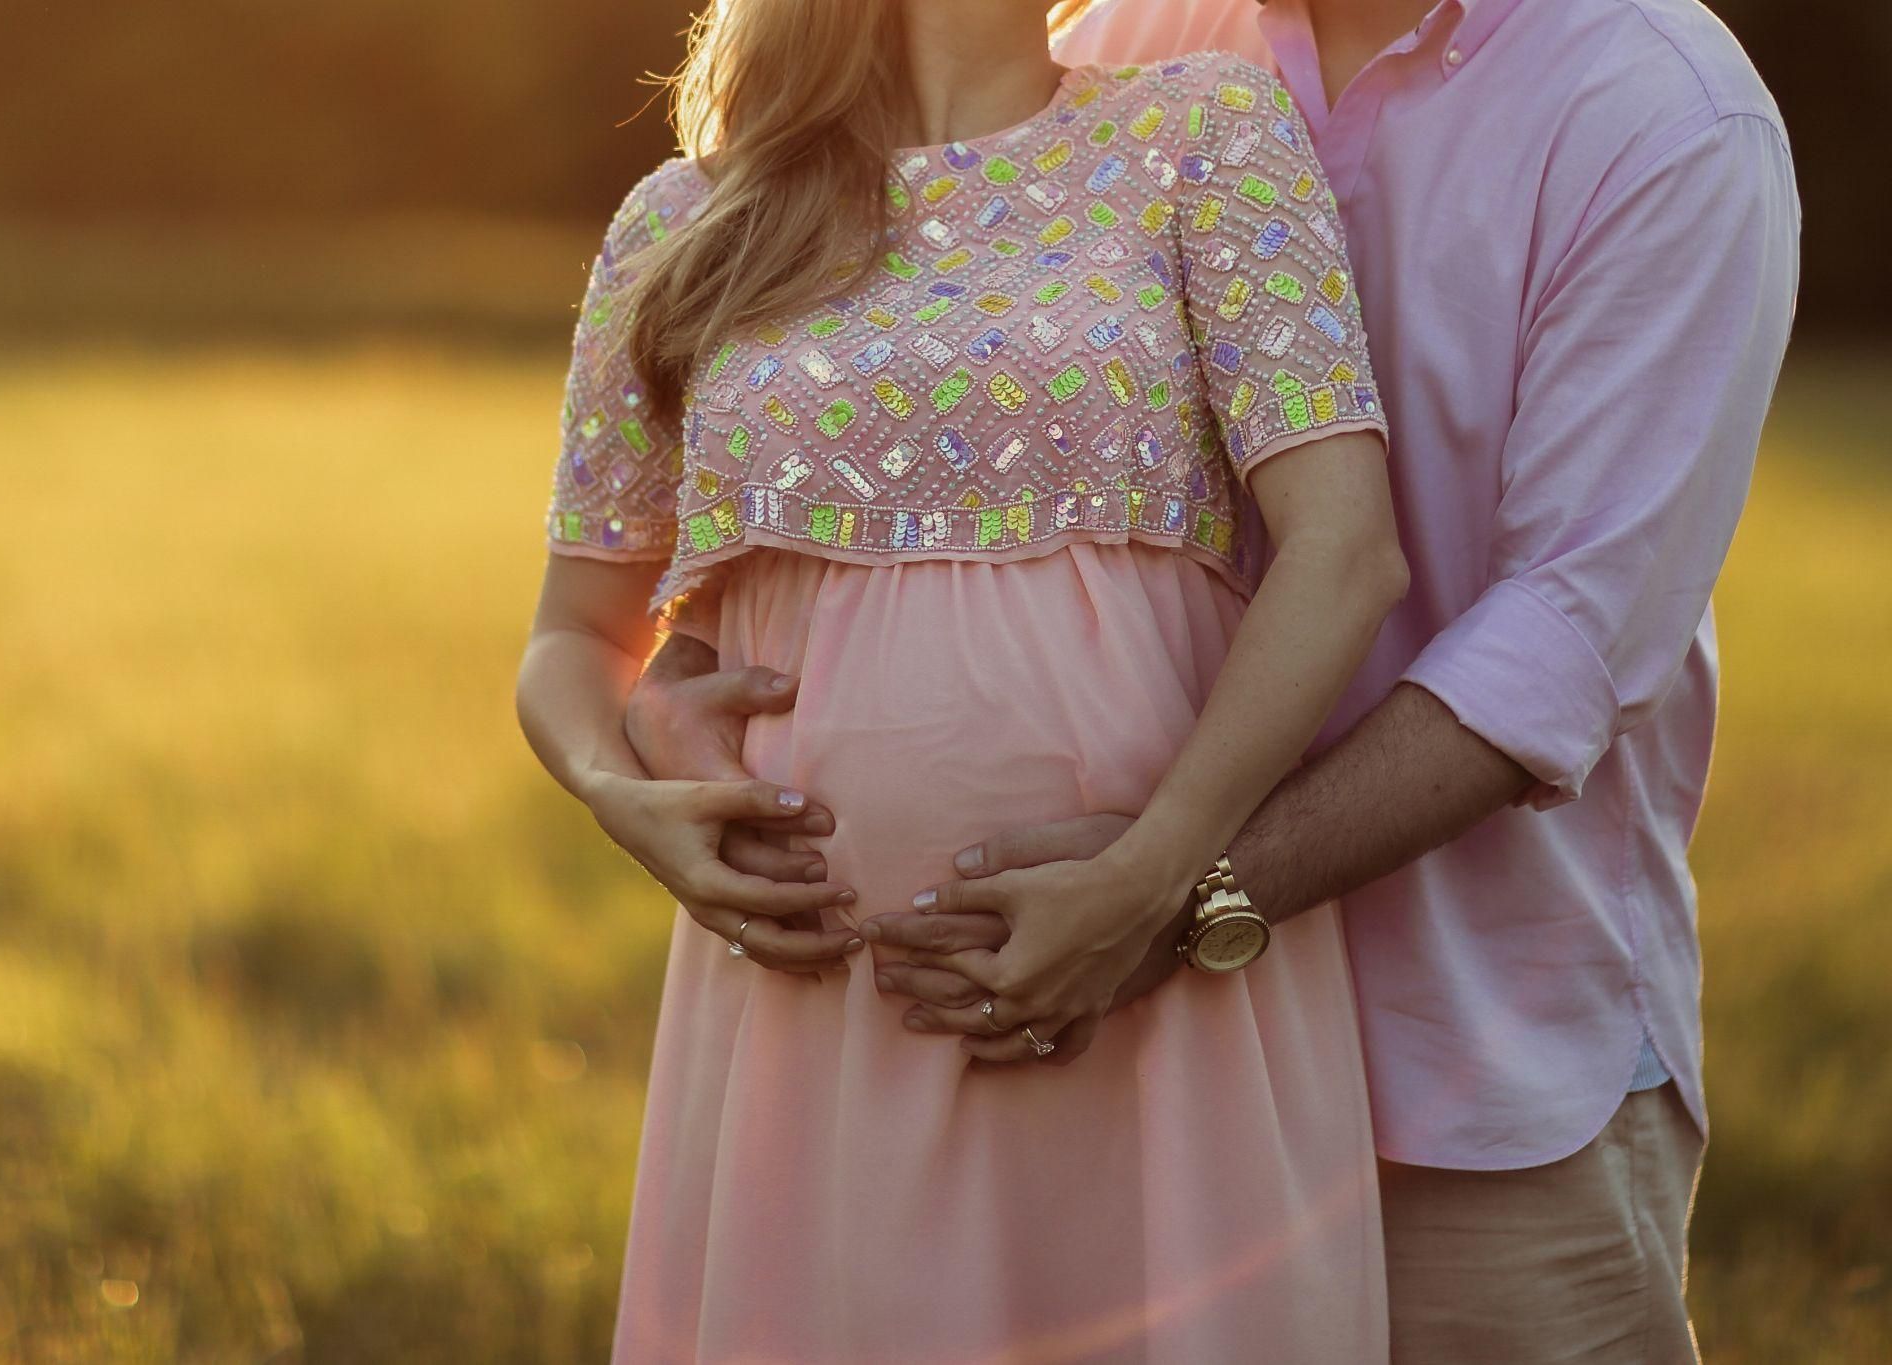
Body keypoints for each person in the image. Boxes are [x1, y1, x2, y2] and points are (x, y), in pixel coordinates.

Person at [623, 0, 1804, 1359]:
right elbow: (875, 431)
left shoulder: (1662, 112)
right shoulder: (1123, 36)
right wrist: (674, 685)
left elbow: (1570, 637)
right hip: (1089, 1059)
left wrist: (1179, 891)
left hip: (1470, 1061)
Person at [518, 0, 1414, 1356]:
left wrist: (1154, 878)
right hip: (809, 1006)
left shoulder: (1205, 137)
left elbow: (1345, 553)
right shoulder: (687, 218)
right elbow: (576, 635)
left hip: (1137, 969)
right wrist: (615, 790)